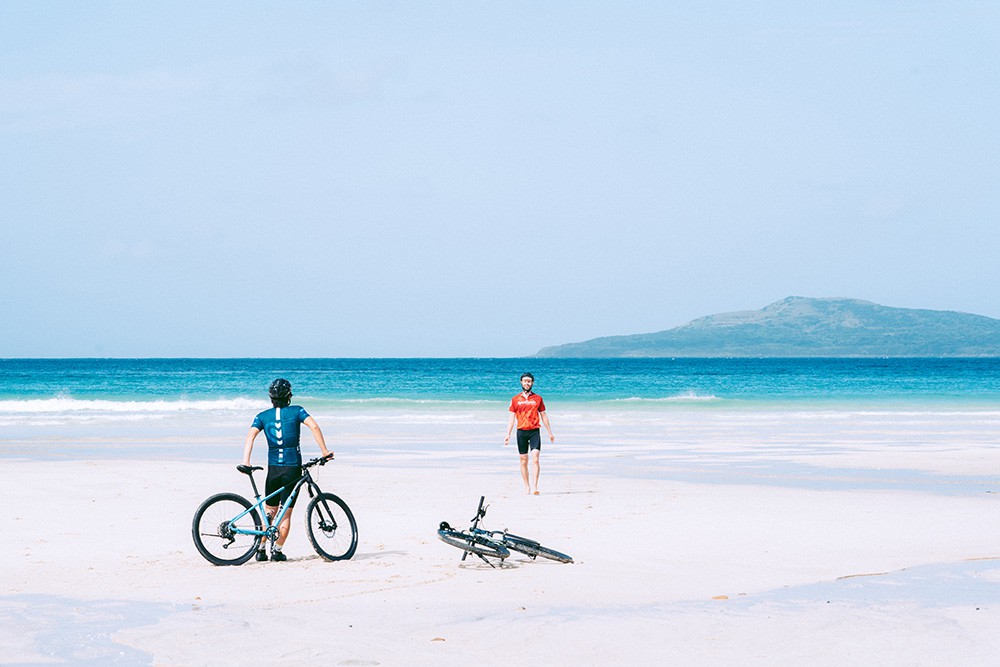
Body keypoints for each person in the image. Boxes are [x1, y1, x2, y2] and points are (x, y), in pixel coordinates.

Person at [242, 378, 331, 562]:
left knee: (270, 512)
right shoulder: (297, 411)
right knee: (286, 513)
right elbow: (314, 426)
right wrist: (324, 451)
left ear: (270, 397)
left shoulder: (262, 416)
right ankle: (277, 550)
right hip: (292, 469)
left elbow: (250, 436)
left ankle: (261, 549)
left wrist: (246, 461)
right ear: (289, 395)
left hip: (273, 470)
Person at [504, 372, 554, 495]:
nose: (527, 383)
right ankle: (527, 486)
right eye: (525, 381)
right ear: (521, 382)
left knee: (535, 459)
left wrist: (550, 432)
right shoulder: (515, 399)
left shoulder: (538, 398)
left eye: (529, 381)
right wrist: (508, 434)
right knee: (523, 460)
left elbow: (543, 415)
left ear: (532, 383)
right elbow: (511, 417)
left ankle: (535, 486)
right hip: (521, 431)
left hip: (534, 431)